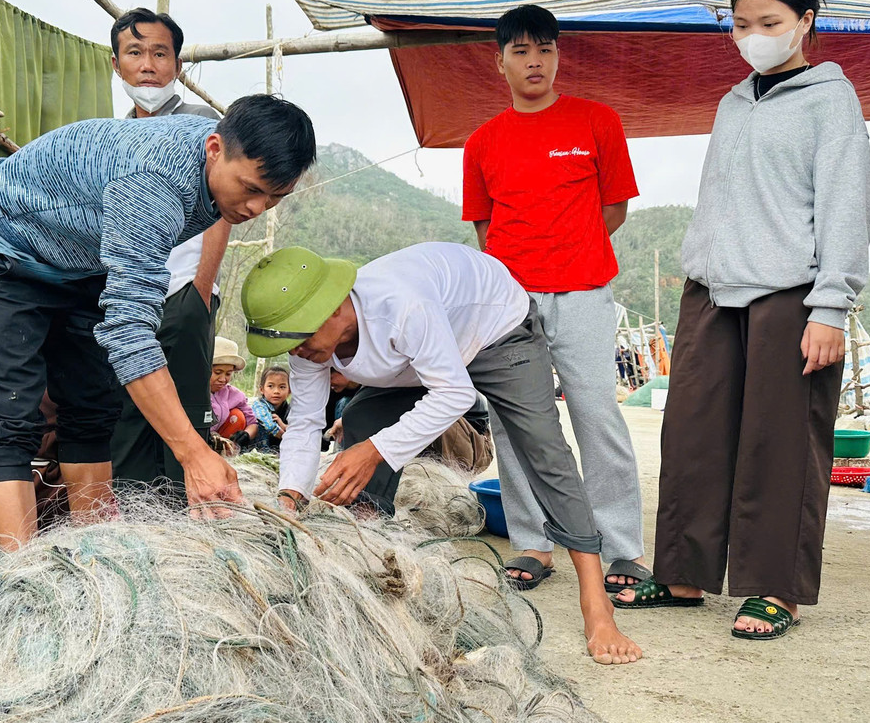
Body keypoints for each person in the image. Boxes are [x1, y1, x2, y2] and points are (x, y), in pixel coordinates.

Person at [616, 0, 870, 642]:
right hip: (712, 290)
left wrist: (830, 306)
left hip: (791, 292)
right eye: (742, 24)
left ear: (806, 22)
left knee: (780, 440)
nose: (753, 35)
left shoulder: (831, 100)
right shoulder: (734, 101)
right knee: (693, 432)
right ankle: (681, 573)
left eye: (770, 23)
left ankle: (773, 587)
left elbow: (846, 206)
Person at [243, 243, 642, 665]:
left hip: (494, 330)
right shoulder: (306, 342)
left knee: (544, 451)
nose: (295, 353)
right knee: (363, 418)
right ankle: (369, 545)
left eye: (298, 339)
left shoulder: (400, 307)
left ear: (335, 310)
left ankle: (596, 601)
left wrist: (376, 451)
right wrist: (290, 497)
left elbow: (454, 394)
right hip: (421, 354)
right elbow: (305, 422)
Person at [0, 94, 316, 548]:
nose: (258, 209)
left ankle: (99, 557)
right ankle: (24, 575)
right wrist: (194, 454)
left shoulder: (212, 175)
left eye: (276, 196)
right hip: (3, 249)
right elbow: (129, 332)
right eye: (252, 188)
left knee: (91, 410)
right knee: (11, 417)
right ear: (214, 148)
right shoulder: (154, 185)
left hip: (81, 259)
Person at [462, 3, 648, 596]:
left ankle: (622, 550)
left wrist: (572, 251)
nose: (535, 61)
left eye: (544, 48)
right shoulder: (483, 142)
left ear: (558, 56)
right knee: (519, 423)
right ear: (500, 63)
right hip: (509, 304)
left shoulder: (597, 121)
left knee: (598, 415)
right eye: (520, 51)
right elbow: (484, 229)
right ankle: (533, 544)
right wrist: (519, 277)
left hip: (586, 294)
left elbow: (614, 208)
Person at [108, 8, 232, 485]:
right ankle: (136, 521)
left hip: (184, 287)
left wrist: (201, 288)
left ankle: (186, 514)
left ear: (177, 65)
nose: (148, 65)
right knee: (131, 412)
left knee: (185, 410)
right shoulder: (116, 135)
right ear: (117, 65)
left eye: (161, 53)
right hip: (132, 295)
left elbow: (222, 209)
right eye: (134, 53)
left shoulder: (203, 125)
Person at [209, 337, 255, 454]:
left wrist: (246, 435)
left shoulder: (233, 394)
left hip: (221, 442)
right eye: (218, 372)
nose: (223, 379)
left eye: (228, 373)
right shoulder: (193, 392)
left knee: (238, 415)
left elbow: (252, 422)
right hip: (196, 441)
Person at [249, 364, 291, 453]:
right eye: (271, 386)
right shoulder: (259, 405)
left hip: (279, 449)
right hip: (258, 450)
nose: (276, 391)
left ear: (289, 391)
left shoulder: (290, 409)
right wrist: (286, 436)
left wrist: (283, 425)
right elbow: (268, 424)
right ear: (261, 389)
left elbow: (297, 428)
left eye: (282, 387)